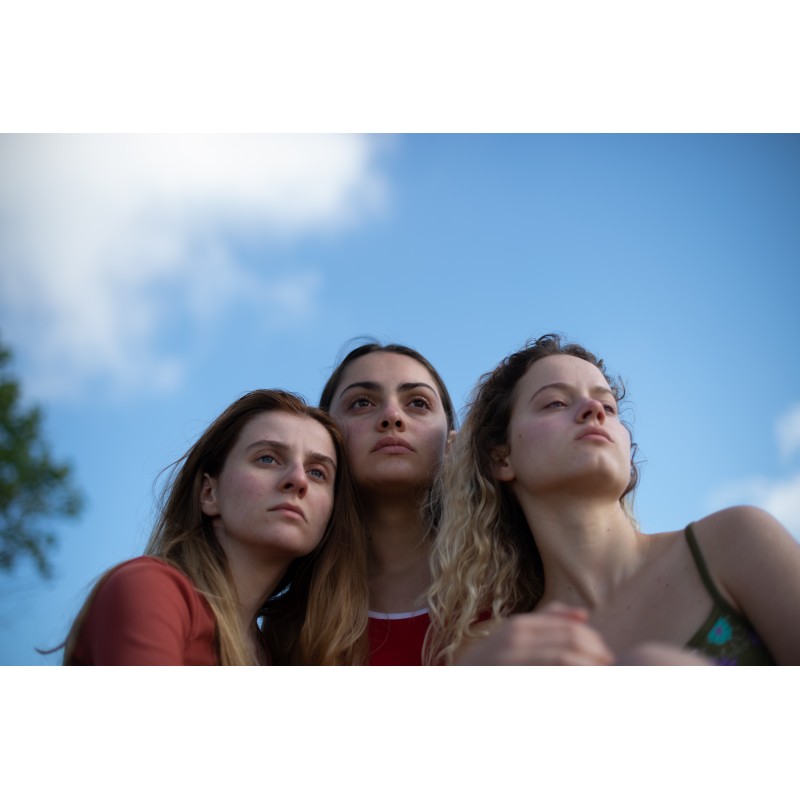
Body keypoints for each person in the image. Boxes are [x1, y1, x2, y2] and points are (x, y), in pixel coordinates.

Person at [426, 334, 800, 665]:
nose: (594, 411)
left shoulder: (736, 540)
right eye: (555, 403)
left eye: (608, 407)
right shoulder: (500, 651)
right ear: (501, 458)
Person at [62, 390, 369, 665]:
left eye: (317, 473)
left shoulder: (276, 655)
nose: (298, 480)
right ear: (209, 493)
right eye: (267, 459)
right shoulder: (149, 588)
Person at [319, 342, 457, 665]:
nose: (392, 416)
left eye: (418, 403)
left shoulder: (515, 589)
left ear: (451, 445)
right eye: (362, 402)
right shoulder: (290, 620)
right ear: (324, 438)